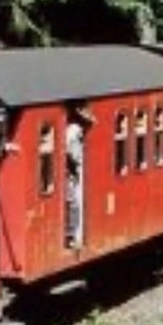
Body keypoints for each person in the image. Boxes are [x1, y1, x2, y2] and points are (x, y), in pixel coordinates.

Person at [64, 105, 92, 248]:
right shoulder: (74, 131)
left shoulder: (71, 129)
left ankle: (71, 235)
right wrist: (75, 164)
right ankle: (71, 236)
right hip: (69, 172)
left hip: (69, 171)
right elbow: (71, 153)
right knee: (73, 203)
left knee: (72, 203)